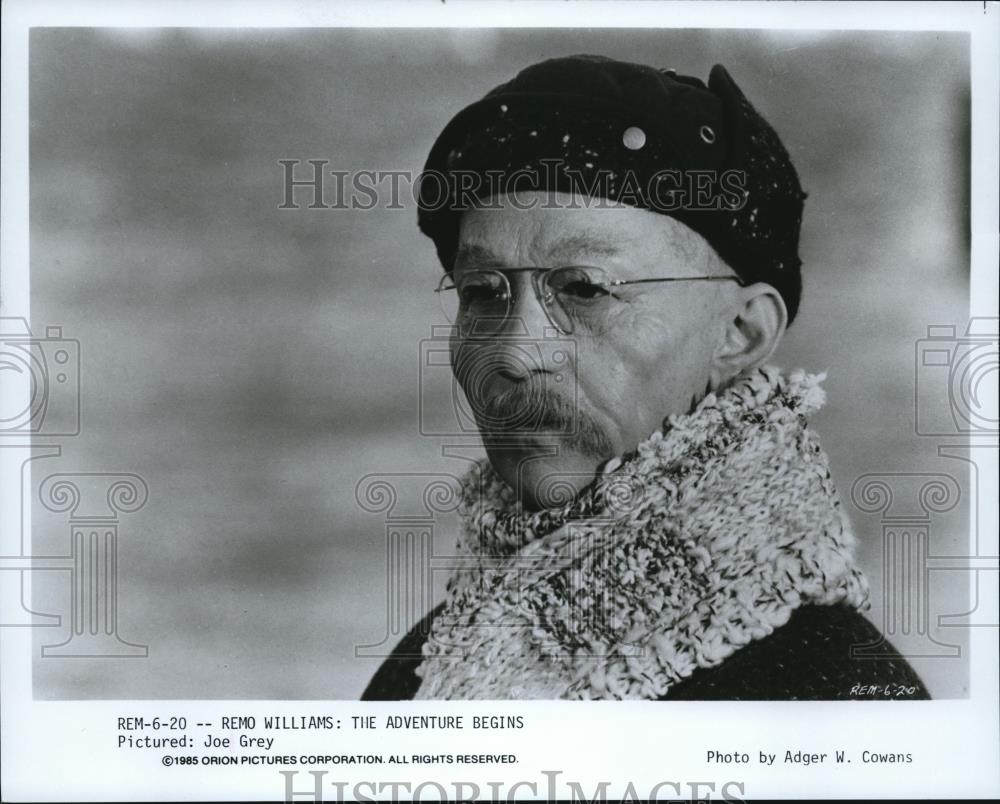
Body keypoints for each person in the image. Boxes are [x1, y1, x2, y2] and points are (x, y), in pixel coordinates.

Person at [362, 54, 929, 700]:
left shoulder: (835, 697)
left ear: (741, 333)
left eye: (583, 289)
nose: (515, 353)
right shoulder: (419, 672)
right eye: (482, 291)